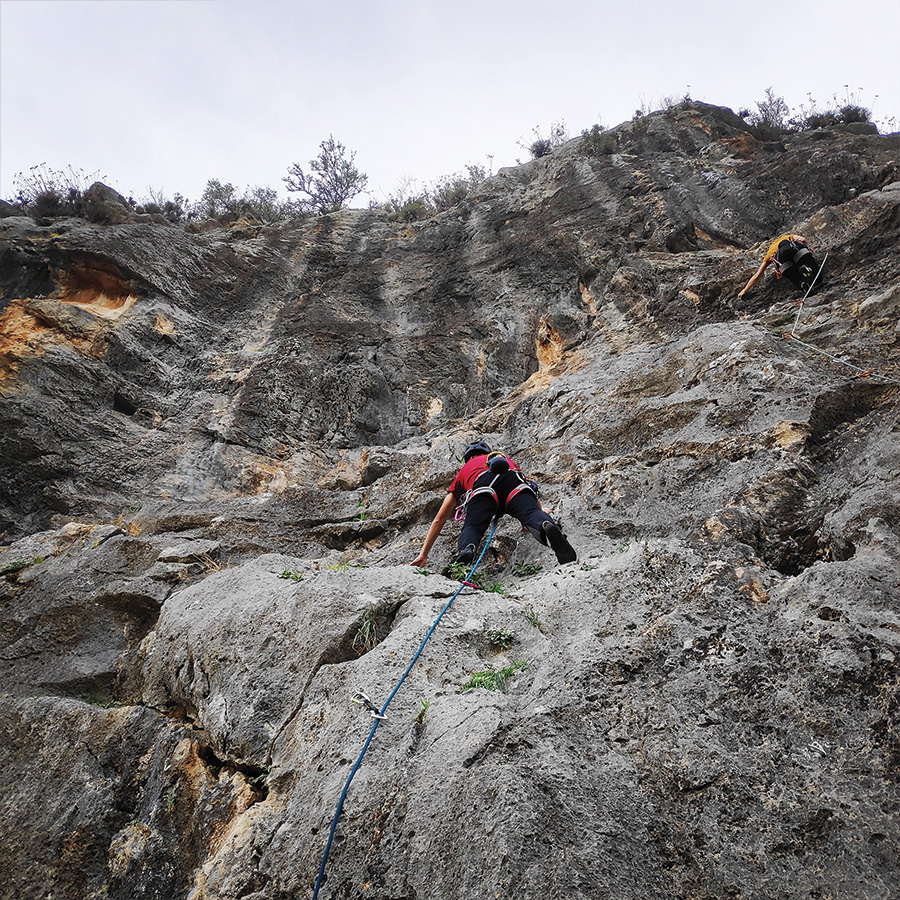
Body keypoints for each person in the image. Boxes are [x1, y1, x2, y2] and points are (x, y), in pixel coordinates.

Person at [410, 440, 577, 569]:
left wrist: (423, 554)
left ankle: (466, 550)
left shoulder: (465, 469)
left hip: (483, 488)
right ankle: (545, 525)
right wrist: (541, 510)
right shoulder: (505, 459)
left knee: (473, 527)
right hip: (514, 482)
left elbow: (440, 518)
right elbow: (528, 487)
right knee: (531, 514)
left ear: (468, 458)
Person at [738, 233, 820, 298]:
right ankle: (810, 270)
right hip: (797, 250)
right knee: (818, 276)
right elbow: (803, 239)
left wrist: (745, 290)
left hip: (783, 261)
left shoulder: (769, 254)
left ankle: (802, 283)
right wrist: (804, 245)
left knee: (794, 276)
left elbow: (757, 275)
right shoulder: (788, 237)